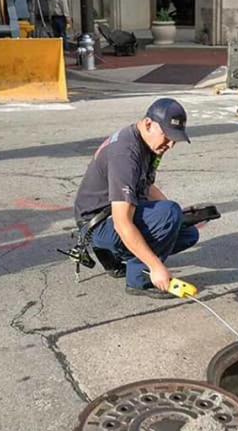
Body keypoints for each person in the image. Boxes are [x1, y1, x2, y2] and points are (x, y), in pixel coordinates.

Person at [73, 98, 199, 298]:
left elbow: (146, 186)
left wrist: (179, 216)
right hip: (99, 224)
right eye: (167, 136)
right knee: (169, 215)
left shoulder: (147, 142)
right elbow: (122, 223)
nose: (171, 144)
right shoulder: (126, 154)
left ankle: (113, 255)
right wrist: (156, 266)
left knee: (187, 232)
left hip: (109, 217)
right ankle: (139, 279)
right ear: (149, 124)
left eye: (175, 139)